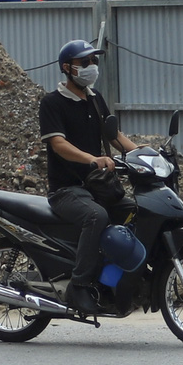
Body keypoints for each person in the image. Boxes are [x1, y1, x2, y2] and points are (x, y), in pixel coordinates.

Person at [39, 38, 138, 314]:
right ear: (67, 68)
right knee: (97, 216)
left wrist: (144, 153)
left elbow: (114, 136)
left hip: (97, 187)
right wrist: (93, 159)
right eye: (85, 62)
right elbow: (58, 143)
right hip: (67, 190)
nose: (91, 67)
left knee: (134, 210)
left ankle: (112, 279)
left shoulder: (95, 99)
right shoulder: (52, 103)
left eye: (93, 61)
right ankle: (79, 286)